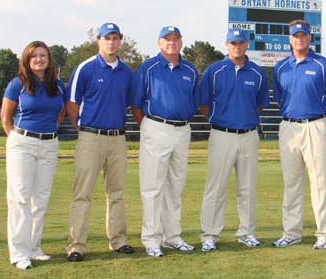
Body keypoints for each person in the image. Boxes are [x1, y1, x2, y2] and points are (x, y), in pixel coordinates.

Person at [65, 22, 135, 262]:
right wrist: (84, 129)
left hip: (117, 138)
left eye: (116, 38)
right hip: (90, 136)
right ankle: (76, 245)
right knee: (82, 193)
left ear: (120, 40)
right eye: (107, 38)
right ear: (99, 40)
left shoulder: (126, 72)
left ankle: (118, 240)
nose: (112, 42)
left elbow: (128, 102)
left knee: (116, 192)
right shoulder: (85, 68)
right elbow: (72, 104)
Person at [272, 20, 326, 250]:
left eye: (303, 35)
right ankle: (291, 232)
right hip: (289, 127)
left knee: (320, 182)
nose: (299, 39)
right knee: (291, 182)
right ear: (289, 39)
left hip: (315, 125)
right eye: (295, 36)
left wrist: (319, 114)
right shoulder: (280, 67)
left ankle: (324, 233)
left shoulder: (323, 65)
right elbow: (281, 98)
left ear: (310, 38)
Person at [130, 26, 199, 257]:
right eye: (167, 39)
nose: (172, 43)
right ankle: (151, 239)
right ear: (159, 43)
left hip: (182, 130)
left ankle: (173, 237)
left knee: (175, 186)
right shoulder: (148, 68)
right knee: (153, 187)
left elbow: (195, 101)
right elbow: (136, 103)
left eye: (176, 39)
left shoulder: (190, 69)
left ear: (181, 42)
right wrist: (147, 126)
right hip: (156, 126)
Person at [198, 28, 269, 251]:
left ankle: (246, 232)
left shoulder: (257, 73)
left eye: (240, 42)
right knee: (216, 187)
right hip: (221, 134)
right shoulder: (214, 71)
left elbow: (259, 105)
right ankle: (209, 234)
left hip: (248, 135)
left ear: (246, 45)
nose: (237, 46)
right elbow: (204, 103)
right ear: (226, 45)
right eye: (233, 43)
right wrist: (216, 119)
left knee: (247, 188)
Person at [1, 41, 66, 270]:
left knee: (40, 199)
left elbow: (60, 113)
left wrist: (47, 134)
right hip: (22, 143)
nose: (39, 59)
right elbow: (5, 117)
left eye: (43, 55)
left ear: (49, 59)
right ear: (27, 60)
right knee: (20, 199)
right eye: (34, 56)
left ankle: (34, 247)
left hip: (49, 144)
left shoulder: (57, 85)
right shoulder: (17, 83)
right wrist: (17, 140)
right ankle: (19, 253)